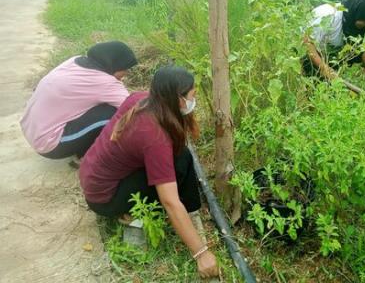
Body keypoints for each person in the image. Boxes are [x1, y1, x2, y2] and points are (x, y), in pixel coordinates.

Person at [79, 66, 219, 279]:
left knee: (179, 155)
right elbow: (169, 201)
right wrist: (201, 253)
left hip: (94, 180)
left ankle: (188, 211)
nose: (194, 100)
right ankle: (177, 216)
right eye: (192, 95)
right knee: (181, 162)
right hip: (105, 199)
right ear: (178, 99)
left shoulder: (141, 98)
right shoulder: (155, 137)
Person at [20, 41, 137, 159]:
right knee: (116, 114)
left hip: (31, 130)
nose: (126, 73)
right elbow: (134, 107)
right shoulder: (105, 82)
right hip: (49, 145)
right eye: (125, 69)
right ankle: (88, 156)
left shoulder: (74, 61)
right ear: (115, 66)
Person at [302, 0, 365, 79]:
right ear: (356, 12)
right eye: (364, 21)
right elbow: (308, 42)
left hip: (330, 51)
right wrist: (324, 69)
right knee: (311, 71)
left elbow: (359, 43)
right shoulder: (330, 16)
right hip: (311, 49)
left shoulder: (358, 23)